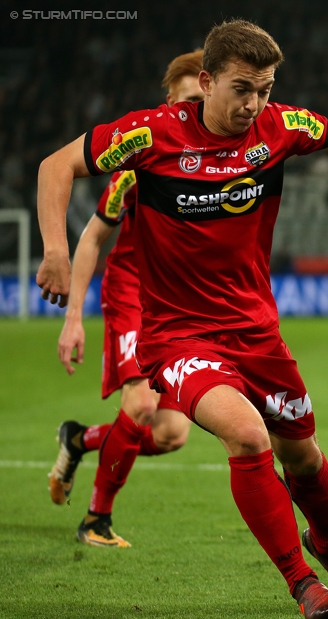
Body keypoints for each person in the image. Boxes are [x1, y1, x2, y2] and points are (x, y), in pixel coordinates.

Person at [36, 19, 328, 619]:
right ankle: (302, 582)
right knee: (248, 435)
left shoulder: (278, 127)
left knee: (304, 459)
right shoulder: (147, 135)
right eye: (241, 88)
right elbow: (56, 165)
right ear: (205, 82)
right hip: (179, 336)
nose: (253, 103)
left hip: (256, 332)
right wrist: (54, 250)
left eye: (263, 88)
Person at [49, 50, 203, 550]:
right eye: (187, 101)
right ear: (169, 102)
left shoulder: (227, 161)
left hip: (180, 303)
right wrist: (74, 318)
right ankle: (97, 519)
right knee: (138, 405)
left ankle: (79, 439)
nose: (194, 113)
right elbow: (94, 237)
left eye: (203, 102)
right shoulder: (139, 165)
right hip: (134, 293)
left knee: (169, 434)